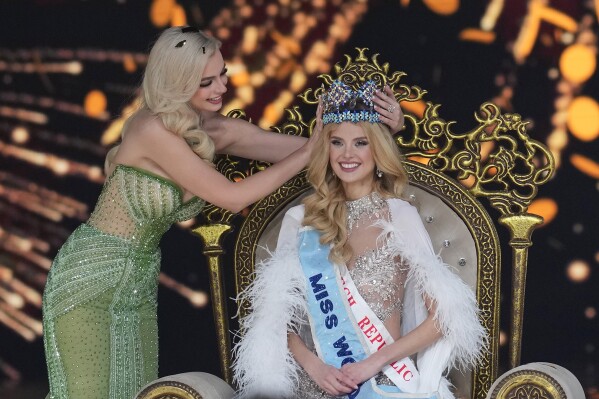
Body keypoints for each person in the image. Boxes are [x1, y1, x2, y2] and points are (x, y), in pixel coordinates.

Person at [41, 27, 403, 399]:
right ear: (177, 83)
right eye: (205, 82)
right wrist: (309, 147)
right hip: (90, 277)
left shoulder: (216, 129)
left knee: (133, 393)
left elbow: (328, 153)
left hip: (138, 283)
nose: (220, 88)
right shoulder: (150, 128)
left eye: (223, 74)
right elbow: (232, 197)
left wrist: (385, 131)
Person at [233, 79, 487, 398]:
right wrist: (316, 368)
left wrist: (372, 363)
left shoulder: (398, 215)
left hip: (387, 379)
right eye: (337, 142)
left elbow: (443, 318)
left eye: (361, 143)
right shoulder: (300, 221)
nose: (347, 154)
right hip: (320, 383)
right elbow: (275, 319)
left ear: (378, 149)